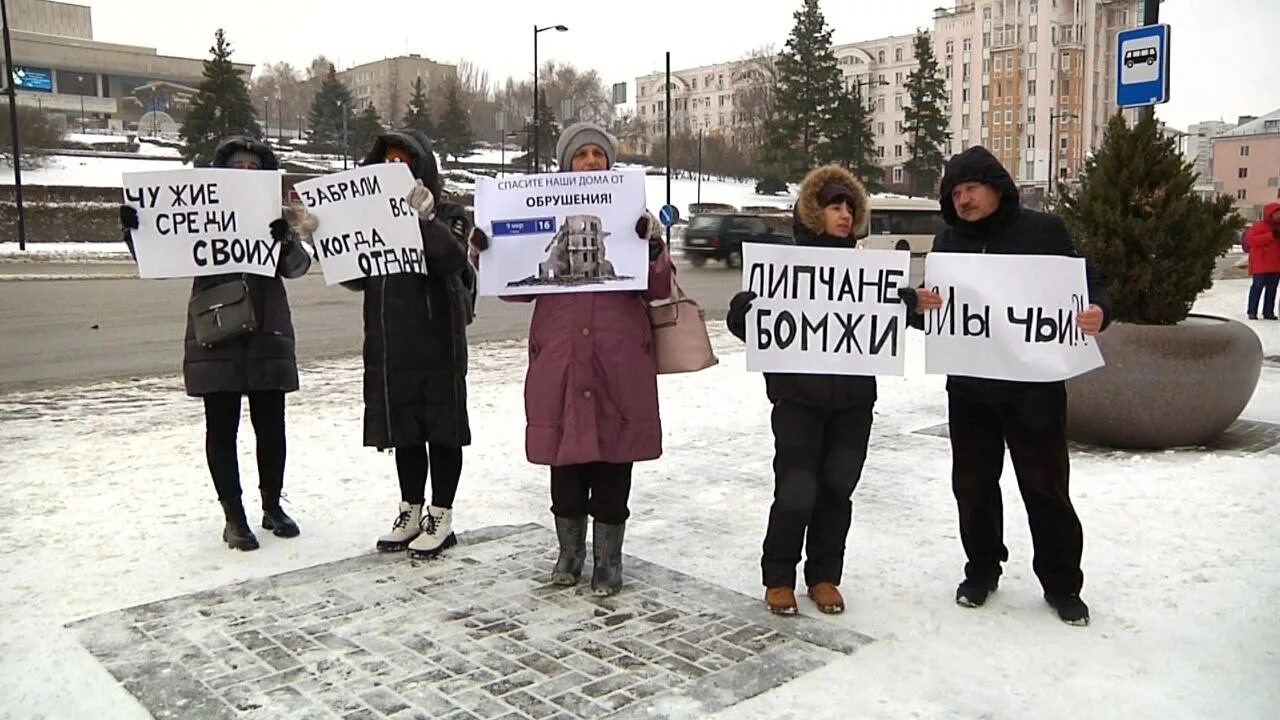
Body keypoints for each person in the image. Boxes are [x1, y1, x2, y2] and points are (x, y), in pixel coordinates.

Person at [900, 146, 1108, 626]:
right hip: (970, 389)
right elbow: (940, 314)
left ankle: (1061, 584)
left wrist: (1099, 311)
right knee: (972, 485)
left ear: (996, 187)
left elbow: (1089, 285)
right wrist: (918, 306)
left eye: (971, 188)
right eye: (955, 192)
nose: (964, 199)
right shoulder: (948, 242)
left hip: (1034, 388)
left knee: (1046, 487)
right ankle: (982, 569)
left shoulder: (1044, 232)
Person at [468, 121, 672, 596]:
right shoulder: (547, 218)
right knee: (565, 465)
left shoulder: (629, 219)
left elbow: (659, 286)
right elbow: (515, 289)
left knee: (614, 461)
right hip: (560, 360)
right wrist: (487, 252)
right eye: (580, 156)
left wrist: (654, 246)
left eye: (598, 155)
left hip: (618, 362)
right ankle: (569, 554)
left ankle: (608, 561)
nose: (590, 163)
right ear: (566, 166)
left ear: (609, 163)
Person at [119, 136, 311, 551]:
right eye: (238, 168)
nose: (245, 174)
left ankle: (272, 506)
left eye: (253, 169)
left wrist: (288, 239)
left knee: (271, 428)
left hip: (266, 332)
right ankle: (233, 516)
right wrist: (136, 231)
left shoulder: (274, 217)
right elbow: (160, 255)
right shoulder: (202, 213)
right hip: (215, 330)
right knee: (221, 430)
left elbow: (298, 268)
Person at [301, 129, 475, 559]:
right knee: (406, 430)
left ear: (421, 168)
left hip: (438, 341)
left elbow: (452, 260)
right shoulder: (369, 216)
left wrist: (428, 221)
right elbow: (356, 276)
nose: (397, 169)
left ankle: (441, 514)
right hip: (390, 340)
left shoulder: (451, 213)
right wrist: (321, 240)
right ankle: (410, 510)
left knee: (443, 429)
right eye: (389, 162)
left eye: (405, 161)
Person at [724, 165, 876, 616]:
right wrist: (741, 314)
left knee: (837, 490)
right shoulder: (783, 268)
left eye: (850, 207)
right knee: (795, 490)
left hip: (853, 404)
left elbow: (887, 324)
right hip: (797, 401)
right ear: (815, 213)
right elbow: (756, 328)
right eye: (835, 206)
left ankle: (825, 576)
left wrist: (904, 304)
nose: (845, 214)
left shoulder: (867, 271)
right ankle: (779, 576)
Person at [1244, 202, 1280, 320]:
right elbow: (1250, 241)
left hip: (1276, 264)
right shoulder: (1259, 226)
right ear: (1270, 214)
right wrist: (1270, 236)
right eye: (1276, 213)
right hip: (1261, 263)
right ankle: (1252, 311)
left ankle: (1268, 311)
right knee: (1257, 287)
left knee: (1272, 289)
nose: (1278, 215)